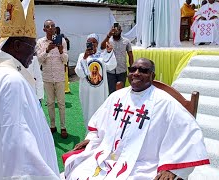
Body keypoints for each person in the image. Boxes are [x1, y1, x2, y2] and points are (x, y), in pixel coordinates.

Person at [0, 0, 60, 179]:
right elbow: (21, 153)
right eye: (32, 47)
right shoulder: (11, 80)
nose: (35, 54)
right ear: (17, 46)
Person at [64, 58, 210, 180]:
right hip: (107, 156)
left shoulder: (166, 103)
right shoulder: (117, 96)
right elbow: (98, 124)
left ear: (152, 76)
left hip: (143, 165)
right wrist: (91, 139)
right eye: (132, 69)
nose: (136, 73)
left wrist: (173, 169)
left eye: (143, 70)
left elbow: (188, 136)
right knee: (77, 172)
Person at [75, 33, 116, 130]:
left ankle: (100, 133)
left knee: (101, 112)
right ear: (86, 43)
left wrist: (109, 52)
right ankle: (89, 134)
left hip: (100, 91)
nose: (92, 44)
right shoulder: (82, 56)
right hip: (87, 90)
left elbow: (112, 65)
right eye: (90, 42)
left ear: (98, 44)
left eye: (94, 42)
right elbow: (79, 73)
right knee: (88, 112)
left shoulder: (102, 55)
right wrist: (85, 58)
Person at [36, 19, 69, 138]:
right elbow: (39, 60)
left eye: (52, 26)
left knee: (61, 103)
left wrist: (61, 51)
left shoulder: (62, 41)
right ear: (44, 29)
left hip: (59, 77)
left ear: (55, 28)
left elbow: (65, 60)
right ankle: (53, 125)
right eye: (48, 26)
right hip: (47, 77)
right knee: (50, 103)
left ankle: (63, 127)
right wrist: (47, 50)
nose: (50, 28)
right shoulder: (40, 42)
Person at [100, 24, 134, 94]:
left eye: (117, 29)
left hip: (122, 71)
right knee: (111, 91)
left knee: (121, 92)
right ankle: (112, 104)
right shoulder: (108, 40)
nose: (115, 31)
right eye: (113, 30)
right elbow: (101, 47)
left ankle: (120, 104)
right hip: (110, 71)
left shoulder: (126, 41)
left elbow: (130, 55)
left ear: (121, 30)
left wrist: (131, 68)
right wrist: (108, 35)